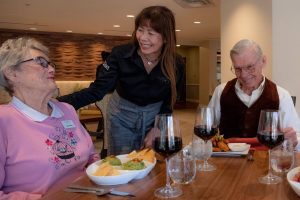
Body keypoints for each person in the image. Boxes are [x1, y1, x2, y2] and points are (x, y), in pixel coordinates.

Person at [58, 6, 185, 155]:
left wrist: (158, 127)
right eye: (140, 30)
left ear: (165, 38)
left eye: (151, 33)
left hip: (154, 118)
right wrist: (55, 103)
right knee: (122, 163)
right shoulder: (120, 54)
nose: (143, 38)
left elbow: (169, 101)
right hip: (121, 117)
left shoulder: (176, 63)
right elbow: (96, 91)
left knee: (150, 162)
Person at [0, 37, 99, 199]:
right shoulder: (4, 121)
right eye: (41, 62)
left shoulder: (66, 110)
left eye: (51, 64)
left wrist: (105, 175)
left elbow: (91, 156)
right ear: (12, 73)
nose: (52, 69)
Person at [208, 39, 300, 148]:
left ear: (263, 61)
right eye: (238, 69)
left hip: (266, 162)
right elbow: (207, 130)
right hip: (227, 161)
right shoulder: (221, 91)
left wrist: (293, 141)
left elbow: (296, 138)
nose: (244, 75)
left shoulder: (282, 96)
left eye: (250, 67)